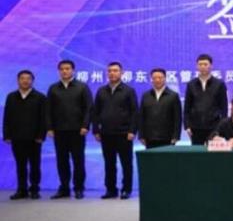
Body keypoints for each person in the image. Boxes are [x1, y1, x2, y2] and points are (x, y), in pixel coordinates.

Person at [46, 60, 93, 200]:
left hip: (77, 131)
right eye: (62, 69)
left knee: (78, 161)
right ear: (59, 71)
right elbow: (48, 110)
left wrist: (85, 125)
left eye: (67, 68)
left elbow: (89, 108)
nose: (64, 71)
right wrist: (49, 127)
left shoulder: (82, 87)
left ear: (73, 70)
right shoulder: (53, 88)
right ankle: (64, 188)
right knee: (62, 161)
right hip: (59, 131)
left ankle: (79, 188)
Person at [92, 62, 138, 200]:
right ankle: (111, 189)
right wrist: (96, 130)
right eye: (110, 71)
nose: (112, 73)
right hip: (106, 133)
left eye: (115, 70)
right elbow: (95, 112)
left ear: (121, 73)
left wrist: (132, 131)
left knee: (126, 164)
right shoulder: (101, 91)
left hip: (124, 133)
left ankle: (126, 189)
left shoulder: (128, 91)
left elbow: (135, 112)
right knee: (109, 163)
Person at [3, 70, 46, 200]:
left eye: (28, 78)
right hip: (17, 137)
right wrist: (7, 135)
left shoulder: (40, 97)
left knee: (35, 165)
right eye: (22, 78)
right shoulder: (11, 96)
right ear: (18, 80)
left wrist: (41, 135)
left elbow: (43, 118)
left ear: (32, 81)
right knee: (20, 165)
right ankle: (22, 190)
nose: (25, 81)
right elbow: (7, 117)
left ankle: (34, 189)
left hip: (35, 138)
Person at [184, 53, 228, 145]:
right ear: (197, 66)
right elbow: (187, 107)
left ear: (211, 66)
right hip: (195, 127)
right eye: (200, 64)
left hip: (214, 127)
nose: (203, 67)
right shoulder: (191, 84)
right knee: (196, 152)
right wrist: (187, 125)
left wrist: (222, 126)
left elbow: (224, 107)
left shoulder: (219, 84)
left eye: (205, 64)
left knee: (213, 152)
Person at [139, 68, 182, 149]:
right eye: (154, 78)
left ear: (165, 78)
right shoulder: (146, 95)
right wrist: (141, 135)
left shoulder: (173, 96)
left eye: (160, 77)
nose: (157, 80)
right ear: (151, 79)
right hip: (149, 137)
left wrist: (176, 136)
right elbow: (141, 117)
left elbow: (177, 118)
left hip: (168, 137)